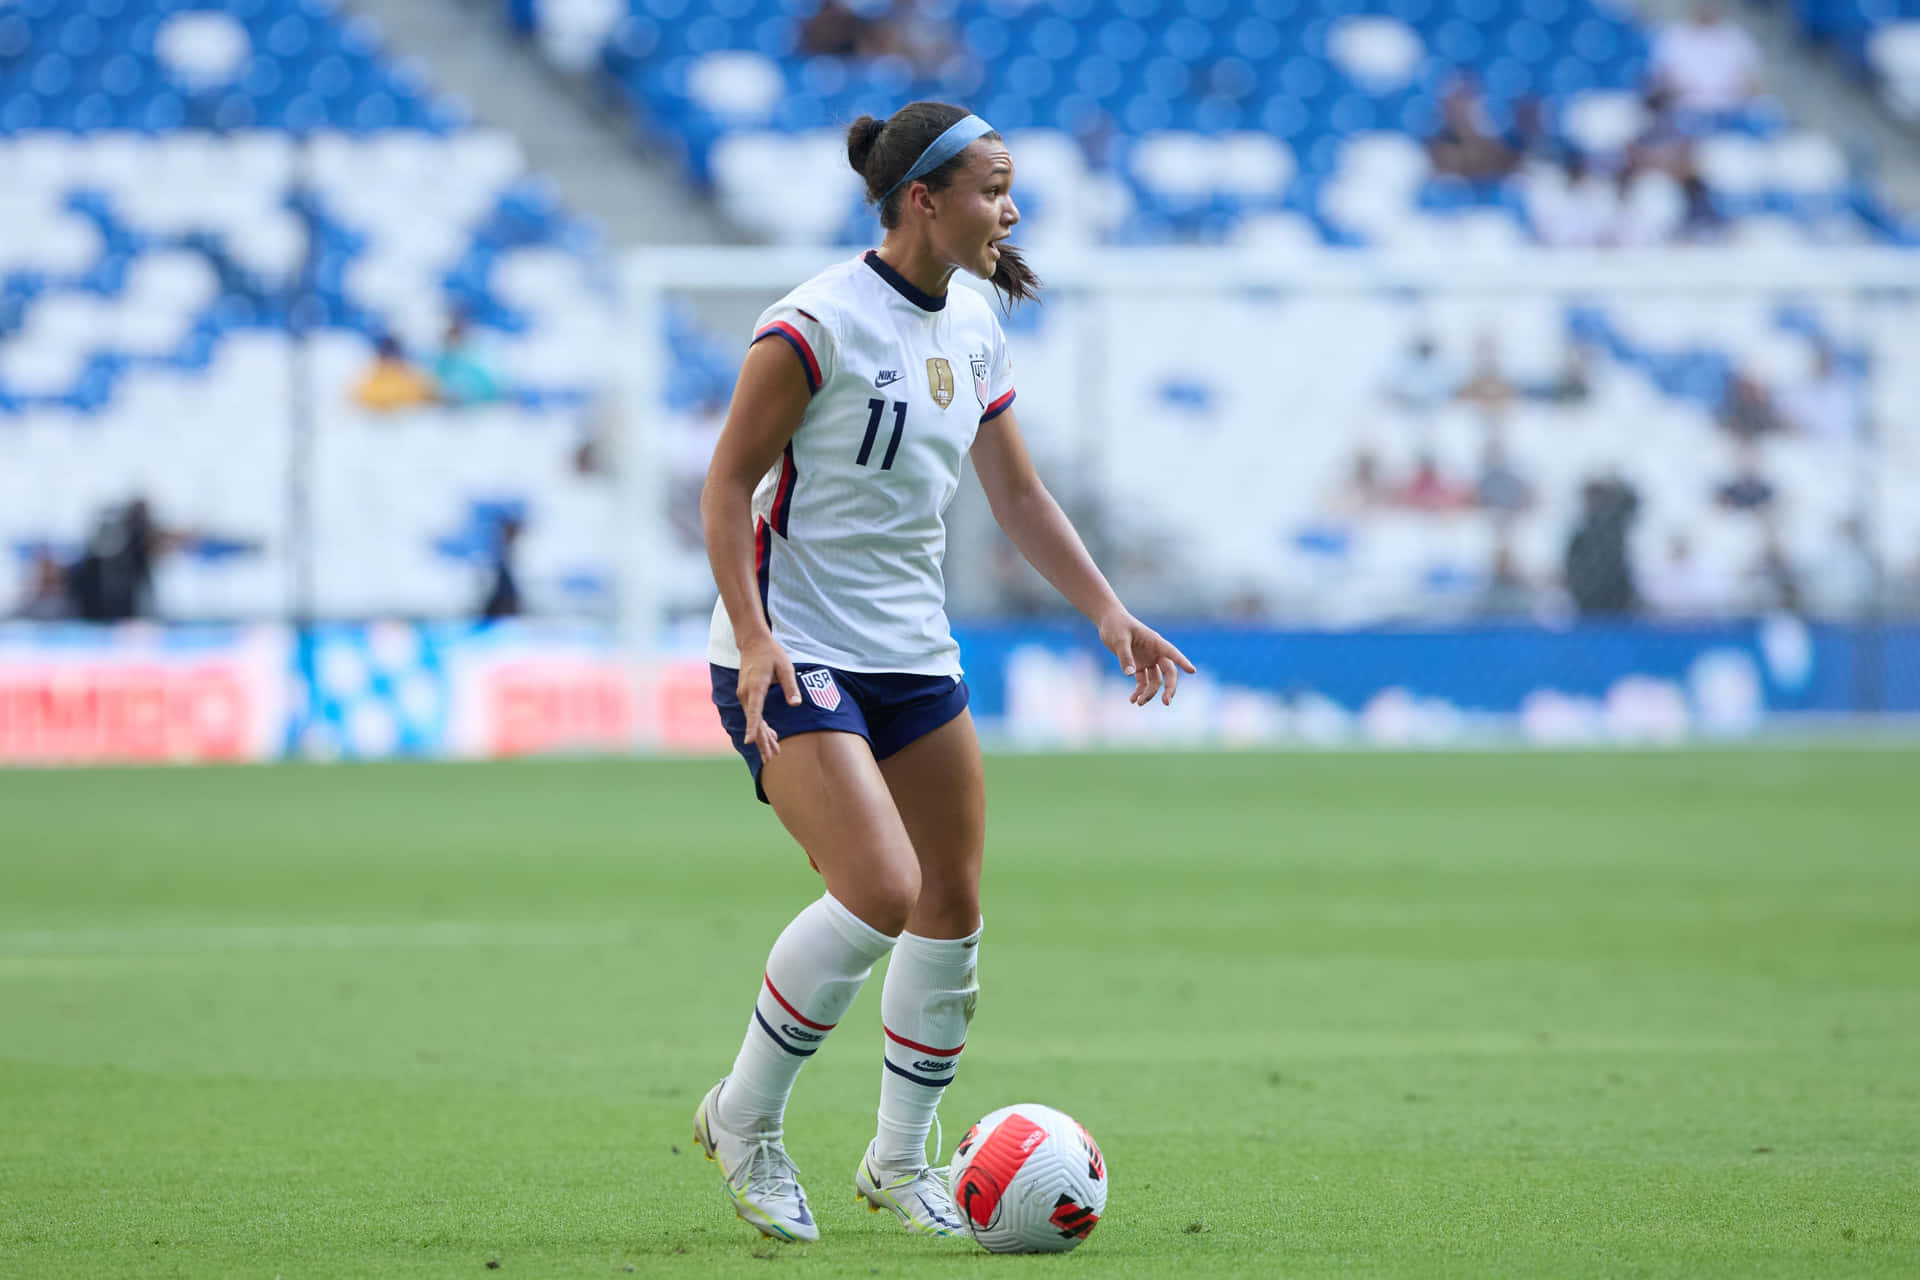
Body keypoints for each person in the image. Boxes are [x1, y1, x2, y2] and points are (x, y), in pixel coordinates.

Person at [690, 101, 1192, 1245]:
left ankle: (899, 1159)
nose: (1009, 208)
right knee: (878, 884)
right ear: (923, 198)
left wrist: (1108, 610)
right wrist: (755, 632)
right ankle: (745, 1121)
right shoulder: (812, 322)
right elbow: (725, 488)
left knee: (951, 906)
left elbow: (1017, 494)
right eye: (991, 186)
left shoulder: (973, 325)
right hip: (794, 648)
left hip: (913, 651)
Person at [1649, 4, 1762, 117]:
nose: (1707, 5)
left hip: (1732, 111)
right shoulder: (1673, 35)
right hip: (1684, 110)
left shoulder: (1736, 37)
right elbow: (1661, 80)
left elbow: (1753, 82)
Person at [431, 312, 504, 407]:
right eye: (450, 340)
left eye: (456, 340)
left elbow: (491, 391)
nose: (453, 345)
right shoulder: (438, 365)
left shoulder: (474, 365)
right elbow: (431, 390)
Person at [352, 333, 437, 412]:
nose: (390, 361)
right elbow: (361, 398)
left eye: (392, 356)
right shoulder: (371, 377)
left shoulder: (411, 376)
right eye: (387, 356)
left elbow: (425, 395)